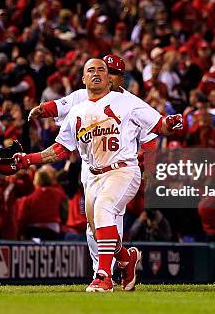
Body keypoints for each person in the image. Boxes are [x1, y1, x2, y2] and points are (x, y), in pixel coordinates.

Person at [12, 58, 182, 292]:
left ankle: (103, 276)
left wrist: (169, 124)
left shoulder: (127, 102)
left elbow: (157, 126)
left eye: (102, 70)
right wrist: (29, 159)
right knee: (97, 228)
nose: (98, 74)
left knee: (104, 210)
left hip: (123, 168)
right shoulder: (78, 108)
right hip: (93, 175)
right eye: (91, 70)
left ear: (112, 77)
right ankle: (125, 258)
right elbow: (61, 148)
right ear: (83, 78)